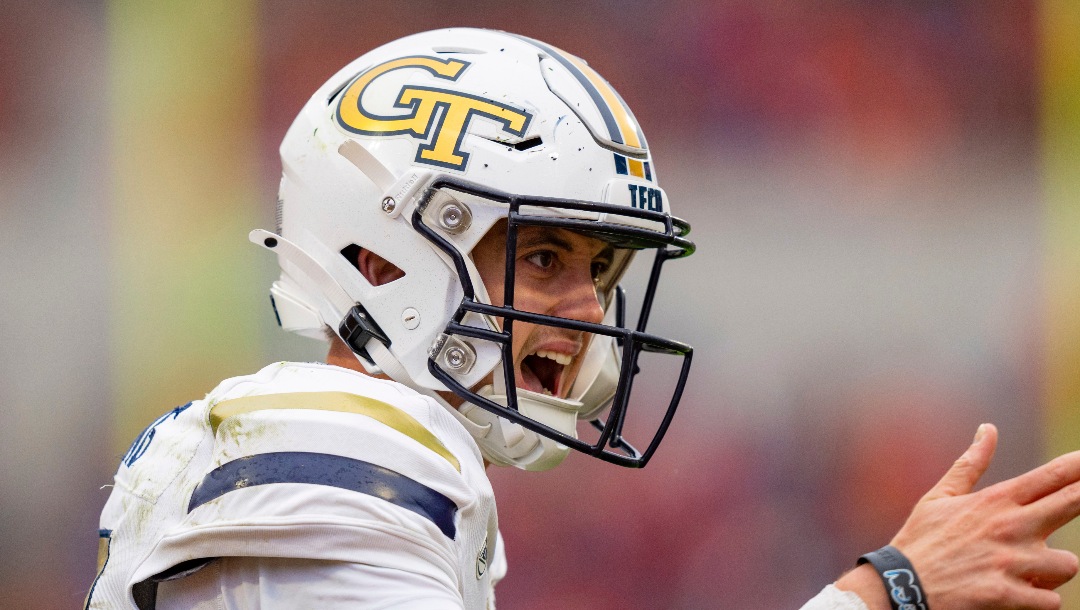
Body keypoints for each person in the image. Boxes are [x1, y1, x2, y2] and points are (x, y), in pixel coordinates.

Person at [86, 28, 1080, 610]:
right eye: (547, 256)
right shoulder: (333, 445)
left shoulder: (367, 452)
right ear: (380, 253)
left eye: (598, 268)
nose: (586, 309)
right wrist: (885, 590)